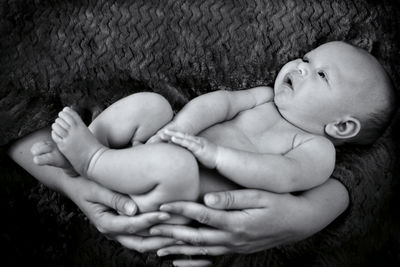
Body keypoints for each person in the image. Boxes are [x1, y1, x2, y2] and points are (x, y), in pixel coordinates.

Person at [6, 41, 393, 266]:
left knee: (177, 165)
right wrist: (183, 126)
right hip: (160, 151)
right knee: (151, 105)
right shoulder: (263, 98)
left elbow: (279, 175)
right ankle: (88, 145)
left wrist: (215, 156)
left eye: (322, 75)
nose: (301, 67)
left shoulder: (317, 150)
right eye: (307, 59)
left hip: (177, 201)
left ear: (342, 127)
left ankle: (91, 160)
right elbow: (220, 103)